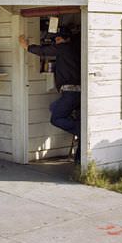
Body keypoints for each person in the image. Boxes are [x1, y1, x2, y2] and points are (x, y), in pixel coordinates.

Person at [19, 26, 81, 160]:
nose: (56, 40)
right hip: (75, 92)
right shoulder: (74, 48)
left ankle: (81, 129)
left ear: (66, 39)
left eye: (58, 38)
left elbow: (44, 51)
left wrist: (27, 47)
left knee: (56, 118)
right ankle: (79, 128)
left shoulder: (64, 48)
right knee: (54, 107)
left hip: (71, 92)